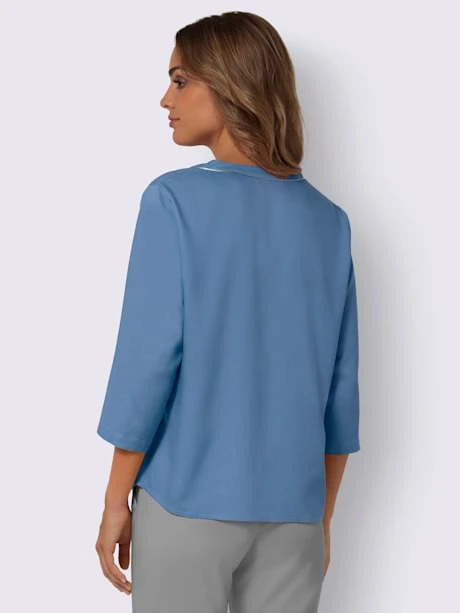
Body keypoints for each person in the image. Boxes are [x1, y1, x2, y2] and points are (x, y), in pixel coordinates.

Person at [95, 10, 361, 613]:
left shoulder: (173, 201)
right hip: (295, 516)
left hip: (185, 503)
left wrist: (115, 502)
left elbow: (147, 363)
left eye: (180, 80)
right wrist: (321, 521)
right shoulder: (330, 222)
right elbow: (340, 393)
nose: (166, 99)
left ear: (230, 83)